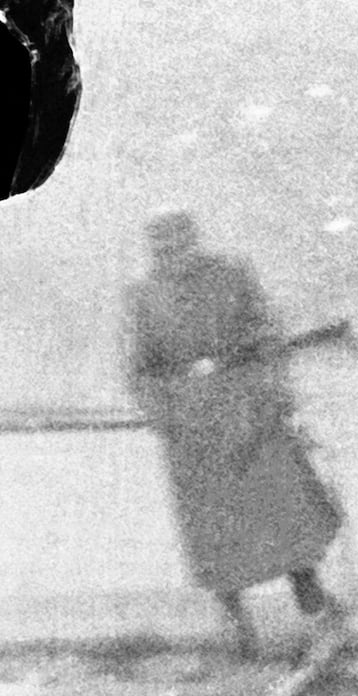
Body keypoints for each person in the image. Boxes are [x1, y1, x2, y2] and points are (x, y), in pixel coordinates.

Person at [123, 212, 345, 656]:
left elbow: (267, 335)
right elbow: (139, 370)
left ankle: (310, 594)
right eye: (163, 249)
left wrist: (272, 392)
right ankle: (236, 620)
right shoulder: (142, 295)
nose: (174, 255)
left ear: (195, 241)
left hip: (248, 406)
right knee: (212, 528)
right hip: (191, 424)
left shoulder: (232, 274)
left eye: (181, 244)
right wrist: (169, 416)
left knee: (282, 504)